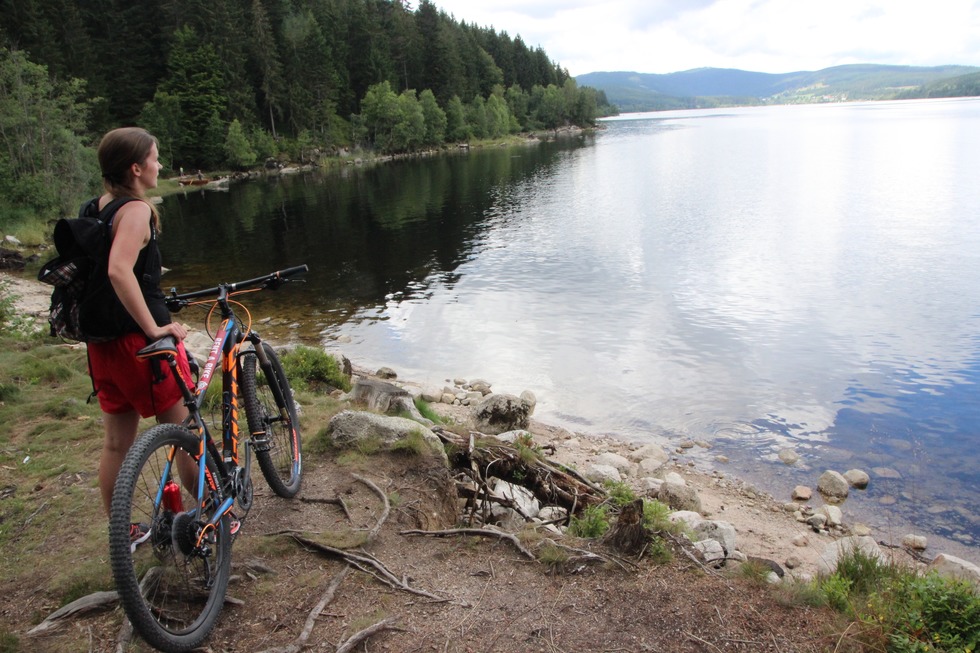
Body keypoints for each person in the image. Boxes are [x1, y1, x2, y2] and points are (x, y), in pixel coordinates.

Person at [87, 127, 192, 520]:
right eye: (155, 157)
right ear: (136, 168)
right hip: (139, 346)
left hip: (102, 345)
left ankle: (122, 532)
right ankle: (212, 516)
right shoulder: (137, 211)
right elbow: (119, 271)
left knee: (116, 445)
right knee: (184, 435)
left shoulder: (100, 206)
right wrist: (154, 328)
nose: (160, 164)